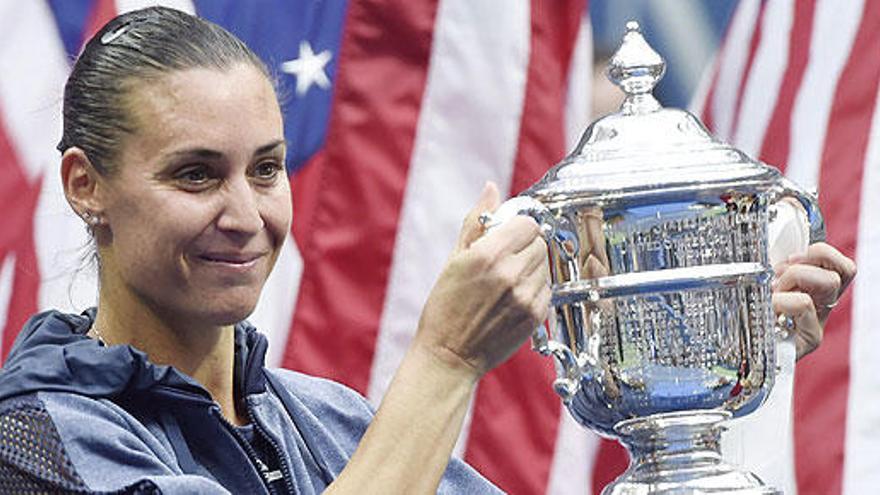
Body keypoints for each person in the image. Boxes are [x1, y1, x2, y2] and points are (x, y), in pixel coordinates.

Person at [0, 7, 855, 494]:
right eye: (195, 176)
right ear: (86, 186)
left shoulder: (326, 419)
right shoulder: (34, 436)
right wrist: (445, 359)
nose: (244, 214)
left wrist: (698, 376)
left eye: (266, 169)